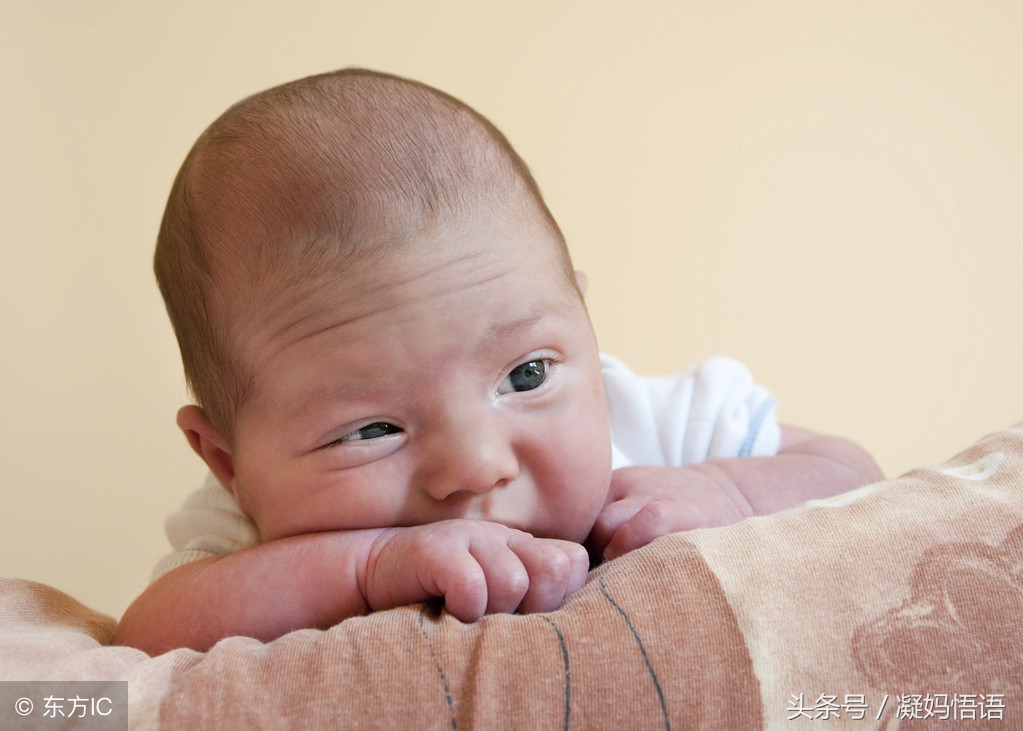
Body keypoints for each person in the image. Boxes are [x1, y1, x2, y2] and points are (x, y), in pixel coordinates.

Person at [115, 68, 882, 655]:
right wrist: (371, 566)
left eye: (526, 375)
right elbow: (152, 631)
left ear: (583, 324)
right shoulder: (254, 527)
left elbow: (852, 473)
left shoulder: (660, 423)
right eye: (370, 428)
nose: (476, 466)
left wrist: (726, 491)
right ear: (228, 460)